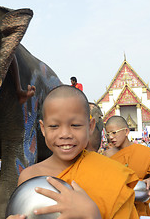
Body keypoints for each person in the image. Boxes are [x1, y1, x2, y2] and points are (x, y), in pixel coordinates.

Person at [9, 85, 139, 219]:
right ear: (43, 128)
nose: (65, 134)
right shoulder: (29, 177)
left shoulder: (113, 174)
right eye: (54, 126)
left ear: (90, 127)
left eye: (75, 125)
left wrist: (92, 213)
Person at [104, 115, 150, 217]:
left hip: (139, 204)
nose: (111, 137)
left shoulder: (145, 152)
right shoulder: (106, 155)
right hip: (115, 207)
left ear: (126, 131)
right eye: (108, 134)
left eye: (114, 132)